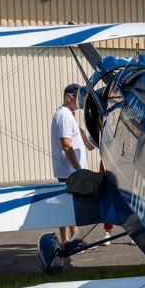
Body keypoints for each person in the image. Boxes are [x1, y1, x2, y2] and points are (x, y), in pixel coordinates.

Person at [51, 83, 97, 244]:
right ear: (69, 97)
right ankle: (66, 241)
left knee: (71, 207)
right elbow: (66, 144)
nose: (81, 101)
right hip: (70, 171)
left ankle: (73, 239)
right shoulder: (64, 116)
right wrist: (78, 169)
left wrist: (82, 131)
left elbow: (88, 146)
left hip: (71, 170)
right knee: (66, 207)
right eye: (78, 98)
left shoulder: (68, 115)